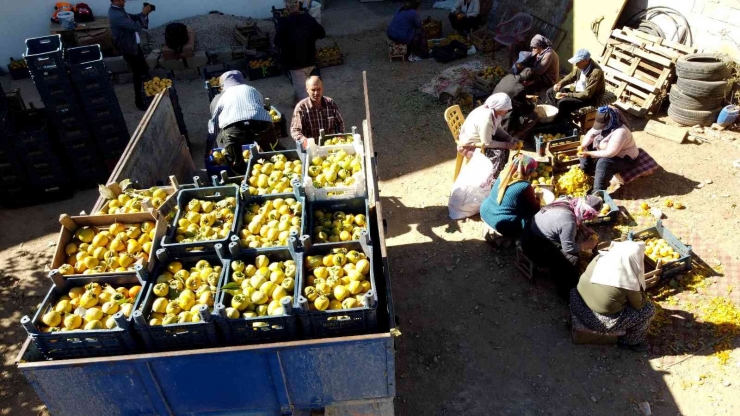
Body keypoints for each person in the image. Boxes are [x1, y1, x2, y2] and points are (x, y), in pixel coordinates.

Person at [571, 241, 656, 352]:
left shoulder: (599, 258)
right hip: (596, 321)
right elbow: (639, 305)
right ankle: (631, 342)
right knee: (648, 309)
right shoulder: (628, 279)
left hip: (576, 300)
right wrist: (641, 294)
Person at [524, 195, 602, 298]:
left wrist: (584, 229)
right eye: (590, 217)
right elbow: (568, 248)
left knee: (573, 237)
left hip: (531, 229)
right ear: (586, 213)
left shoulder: (568, 200)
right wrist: (588, 245)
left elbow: (573, 217)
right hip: (533, 245)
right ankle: (566, 292)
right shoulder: (568, 222)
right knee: (572, 259)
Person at [208, 71, 274, 174]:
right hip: (261, 124)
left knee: (236, 162)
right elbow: (262, 108)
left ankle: (243, 178)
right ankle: (273, 163)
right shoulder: (252, 89)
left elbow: (214, 123)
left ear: (222, 85)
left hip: (233, 130)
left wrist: (219, 144)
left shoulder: (220, 97)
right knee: (273, 153)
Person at [457, 93, 522, 180]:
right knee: (499, 154)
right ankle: (492, 180)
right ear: (498, 107)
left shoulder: (494, 112)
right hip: (470, 146)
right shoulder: (486, 119)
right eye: (505, 109)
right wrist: (507, 145)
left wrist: (509, 138)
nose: (507, 111)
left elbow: (498, 129)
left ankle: (499, 172)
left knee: (504, 146)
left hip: (482, 138)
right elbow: (487, 143)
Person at [480, 154, 541, 242]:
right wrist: (538, 198)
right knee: (532, 220)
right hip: (501, 222)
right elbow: (534, 209)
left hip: (485, 210)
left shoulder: (503, 174)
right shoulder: (524, 186)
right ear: (528, 171)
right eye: (532, 170)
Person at [275, 0, 326, 104]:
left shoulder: (284, 23)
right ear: (299, 6)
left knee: (302, 89)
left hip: (295, 64)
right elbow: (322, 33)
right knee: (301, 86)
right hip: (310, 59)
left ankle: (309, 113)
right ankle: (296, 103)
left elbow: (277, 43)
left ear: (287, 8)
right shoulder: (308, 18)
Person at [579, 106, 638, 191]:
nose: (601, 127)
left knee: (603, 163)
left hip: (624, 158)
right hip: (608, 151)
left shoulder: (621, 132)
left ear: (611, 120)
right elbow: (591, 134)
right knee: (587, 147)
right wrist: (583, 146)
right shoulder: (606, 125)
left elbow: (610, 153)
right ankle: (586, 171)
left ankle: (598, 191)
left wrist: (589, 154)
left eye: (602, 125)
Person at [109, 0, 154, 111]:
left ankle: (150, 95)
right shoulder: (116, 15)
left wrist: (144, 13)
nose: (124, 0)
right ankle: (139, 101)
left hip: (133, 46)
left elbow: (133, 18)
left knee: (144, 70)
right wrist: (144, 13)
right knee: (138, 74)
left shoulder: (119, 10)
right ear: (115, 0)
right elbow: (137, 27)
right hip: (129, 49)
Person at [546, 49, 605, 123]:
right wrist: (560, 84)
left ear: (586, 61)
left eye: (578, 63)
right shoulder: (581, 66)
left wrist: (568, 94)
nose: (576, 65)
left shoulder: (595, 72)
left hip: (589, 98)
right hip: (577, 92)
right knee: (550, 92)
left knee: (563, 103)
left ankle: (560, 122)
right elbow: (571, 76)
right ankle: (556, 115)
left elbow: (587, 94)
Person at [290, 76, 345, 148]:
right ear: (307, 90)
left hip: (329, 146)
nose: (316, 93)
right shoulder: (301, 108)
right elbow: (295, 130)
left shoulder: (330, 103)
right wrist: (304, 140)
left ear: (322, 88)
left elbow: (339, 123)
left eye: (319, 89)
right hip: (310, 149)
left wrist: (339, 135)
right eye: (313, 90)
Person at [493, 68, 536, 134]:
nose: (530, 84)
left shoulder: (509, 76)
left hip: (492, 105)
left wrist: (525, 97)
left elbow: (510, 93)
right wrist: (533, 105)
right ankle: (515, 136)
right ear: (525, 82)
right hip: (500, 115)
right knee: (533, 116)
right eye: (530, 83)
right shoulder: (520, 89)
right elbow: (524, 108)